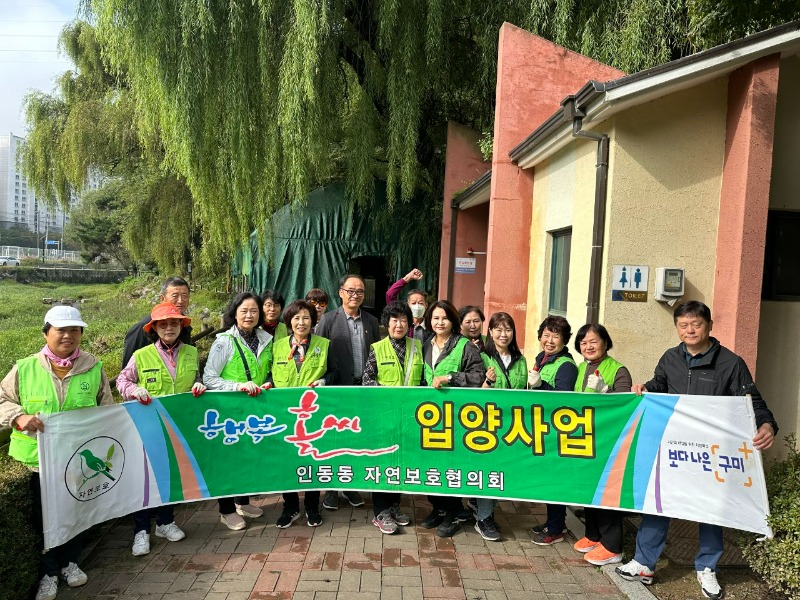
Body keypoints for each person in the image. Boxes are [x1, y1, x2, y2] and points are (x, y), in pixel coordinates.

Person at [616, 301, 778, 600]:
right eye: (683, 325)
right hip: (672, 448)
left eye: (696, 324)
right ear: (677, 328)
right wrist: (645, 389)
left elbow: (752, 402)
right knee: (658, 501)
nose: (690, 330)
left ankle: (707, 567)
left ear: (709, 325)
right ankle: (644, 562)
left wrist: (767, 424)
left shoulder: (731, 363)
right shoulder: (670, 357)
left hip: (711, 454)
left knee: (711, 509)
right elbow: (658, 385)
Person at [0, 306, 113, 600]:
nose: (68, 336)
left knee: (76, 513)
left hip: (77, 460)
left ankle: (69, 563)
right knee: (43, 520)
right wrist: (18, 417)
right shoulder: (25, 368)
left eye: (74, 330)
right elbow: (1, 399)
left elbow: (107, 411)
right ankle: (48, 574)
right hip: (37, 463)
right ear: (46, 333)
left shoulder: (93, 367)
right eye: (61, 330)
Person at [117, 303, 206, 557]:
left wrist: (199, 385)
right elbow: (122, 380)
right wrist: (135, 390)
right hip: (149, 427)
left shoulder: (191, 352)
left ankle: (165, 523)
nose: (169, 328)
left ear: (181, 326)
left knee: (170, 476)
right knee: (145, 480)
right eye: (163, 324)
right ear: (154, 328)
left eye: (174, 323)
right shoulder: (141, 355)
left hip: (179, 427)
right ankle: (141, 531)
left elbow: (196, 379)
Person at [203, 292, 273, 530]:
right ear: (234, 313)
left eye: (254, 311)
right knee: (228, 461)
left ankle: (243, 502)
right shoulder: (223, 342)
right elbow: (209, 378)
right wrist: (237, 386)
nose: (249, 315)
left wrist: (269, 382)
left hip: (255, 410)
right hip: (230, 412)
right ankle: (226, 510)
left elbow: (268, 370)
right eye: (244, 311)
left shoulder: (265, 339)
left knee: (248, 458)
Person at [421, 300, 485, 537]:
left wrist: (450, 377)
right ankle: (438, 507)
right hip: (429, 417)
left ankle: (453, 512)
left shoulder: (464, 346)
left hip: (455, 417)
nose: (440, 322)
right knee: (431, 464)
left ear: (453, 321)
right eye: (435, 318)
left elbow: (478, 376)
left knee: (450, 465)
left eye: (444, 318)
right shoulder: (426, 345)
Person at [315, 274, 380, 510]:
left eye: (360, 291)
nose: (355, 295)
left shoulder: (371, 321)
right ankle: (331, 489)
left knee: (356, 438)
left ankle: (350, 485)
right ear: (340, 292)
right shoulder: (328, 320)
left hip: (363, 389)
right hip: (337, 389)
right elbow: (319, 354)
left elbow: (377, 354)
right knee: (334, 438)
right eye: (350, 291)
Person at [271, 299, 337, 528]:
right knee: (286, 461)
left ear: (313, 321)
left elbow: (334, 372)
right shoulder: (277, 346)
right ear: (289, 321)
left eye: (306, 318)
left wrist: (323, 381)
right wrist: (268, 383)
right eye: (297, 318)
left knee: (312, 460)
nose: (301, 322)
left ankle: (311, 506)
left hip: (313, 414)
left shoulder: (324, 344)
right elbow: (269, 374)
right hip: (284, 414)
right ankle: (290, 507)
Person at [571, 323, 632, 566]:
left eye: (593, 341)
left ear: (605, 343)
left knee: (607, 491)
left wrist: (605, 391)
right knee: (590, 489)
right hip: (586, 438)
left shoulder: (618, 370)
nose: (588, 346)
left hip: (609, 441)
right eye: (583, 342)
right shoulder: (581, 367)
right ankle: (593, 534)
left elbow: (625, 406)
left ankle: (612, 546)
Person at [362, 301, 421, 534]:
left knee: (400, 462)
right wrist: (389, 396)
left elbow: (424, 381)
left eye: (403, 320)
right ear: (387, 324)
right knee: (383, 462)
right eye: (394, 320)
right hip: (384, 418)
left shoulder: (417, 347)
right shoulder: (377, 348)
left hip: (409, 417)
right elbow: (367, 380)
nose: (399, 325)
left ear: (409, 324)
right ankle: (380, 512)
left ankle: (395, 506)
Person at [474, 312, 528, 541]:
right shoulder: (481, 357)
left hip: (511, 425)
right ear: (490, 332)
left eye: (508, 329)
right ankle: (484, 518)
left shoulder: (520, 360)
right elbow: (475, 396)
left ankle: (480, 506)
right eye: (498, 329)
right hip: (487, 425)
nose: (503, 334)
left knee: (501, 470)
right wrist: (488, 381)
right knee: (489, 469)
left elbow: (525, 393)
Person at [528, 315, 578, 546]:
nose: (549, 340)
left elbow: (563, 400)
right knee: (547, 479)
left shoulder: (566, 365)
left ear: (565, 340)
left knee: (555, 480)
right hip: (542, 428)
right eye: (545, 335)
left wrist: (541, 385)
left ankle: (556, 529)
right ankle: (554, 522)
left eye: (555, 336)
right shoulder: (543, 358)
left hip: (556, 432)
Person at [122, 276, 192, 369]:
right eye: (175, 296)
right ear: (162, 298)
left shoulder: (184, 324)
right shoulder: (142, 328)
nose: (180, 301)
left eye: (185, 296)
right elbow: (127, 370)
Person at [385, 268, 430, 343]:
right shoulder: (403, 322)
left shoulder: (430, 325)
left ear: (426, 305)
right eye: (413, 303)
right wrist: (408, 278)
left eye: (420, 303)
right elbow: (390, 295)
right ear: (408, 304)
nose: (417, 306)